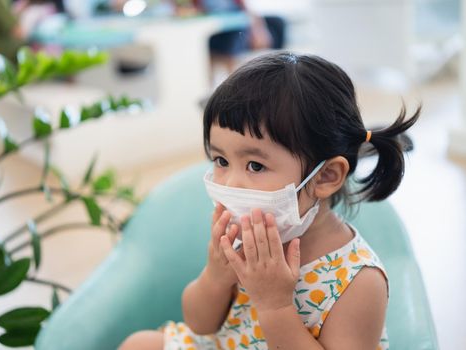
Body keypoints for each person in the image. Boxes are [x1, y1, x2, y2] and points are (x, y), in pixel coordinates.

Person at [119, 51, 421, 349]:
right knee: (139, 344)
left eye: (255, 166)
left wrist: (274, 305)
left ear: (326, 176)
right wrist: (216, 276)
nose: (231, 183)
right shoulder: (242, 236)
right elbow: (199, 325)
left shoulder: (357, 281)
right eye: (221, 160)